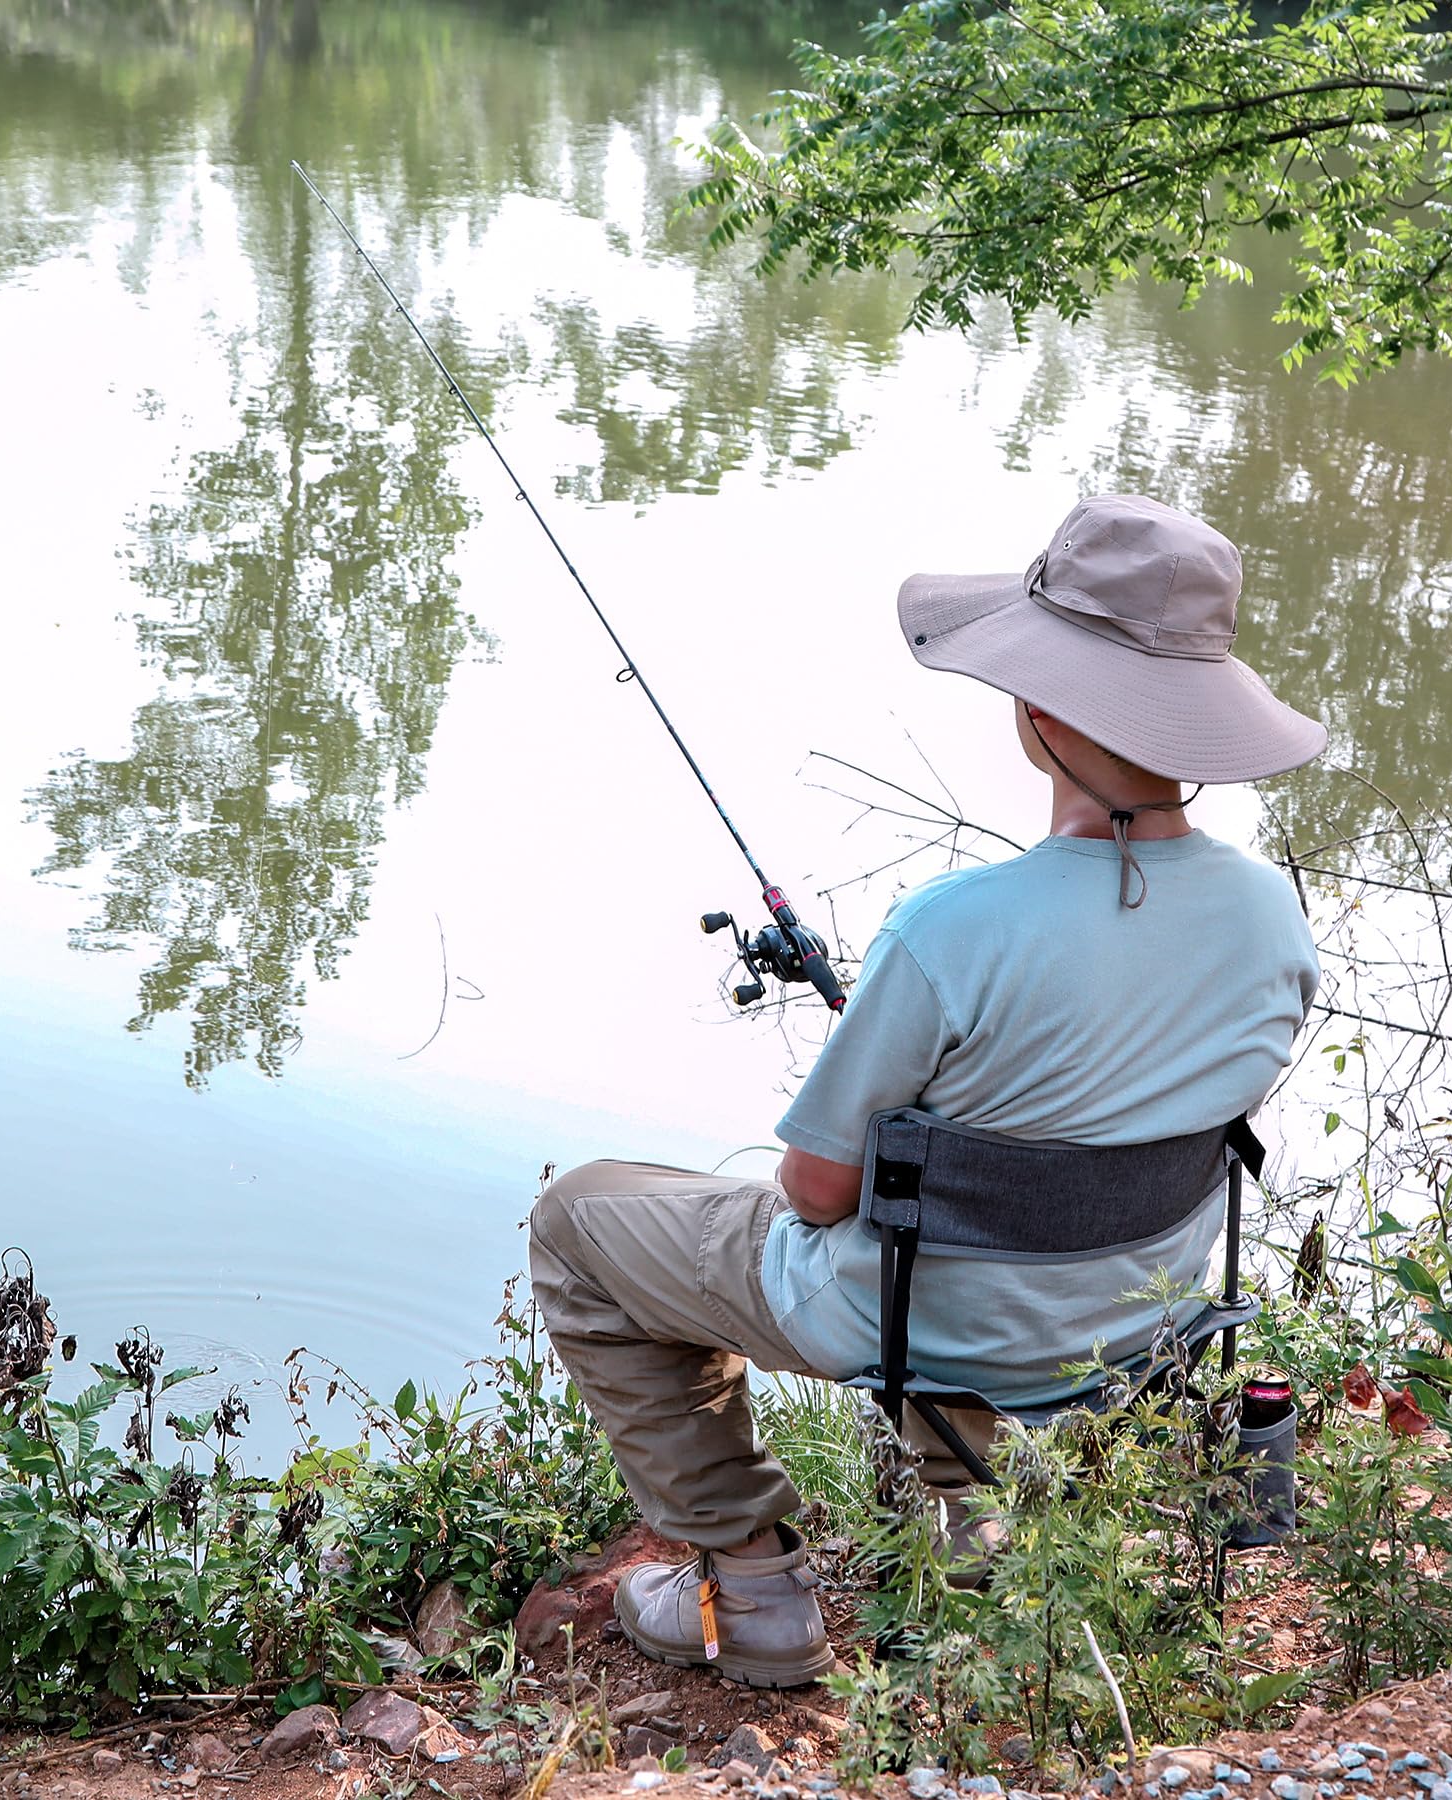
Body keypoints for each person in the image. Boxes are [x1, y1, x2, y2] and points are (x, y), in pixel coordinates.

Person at [528, 493, 1324, 1689]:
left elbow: (813, 1191)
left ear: (1039, 708)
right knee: (959, 1226)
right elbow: (1119, 1095)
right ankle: (977, 1531)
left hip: (933, 1326)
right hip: (1135, 1324)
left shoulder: (953, 928)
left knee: (579, 1220)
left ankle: (753, 1590)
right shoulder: (1272, 917)